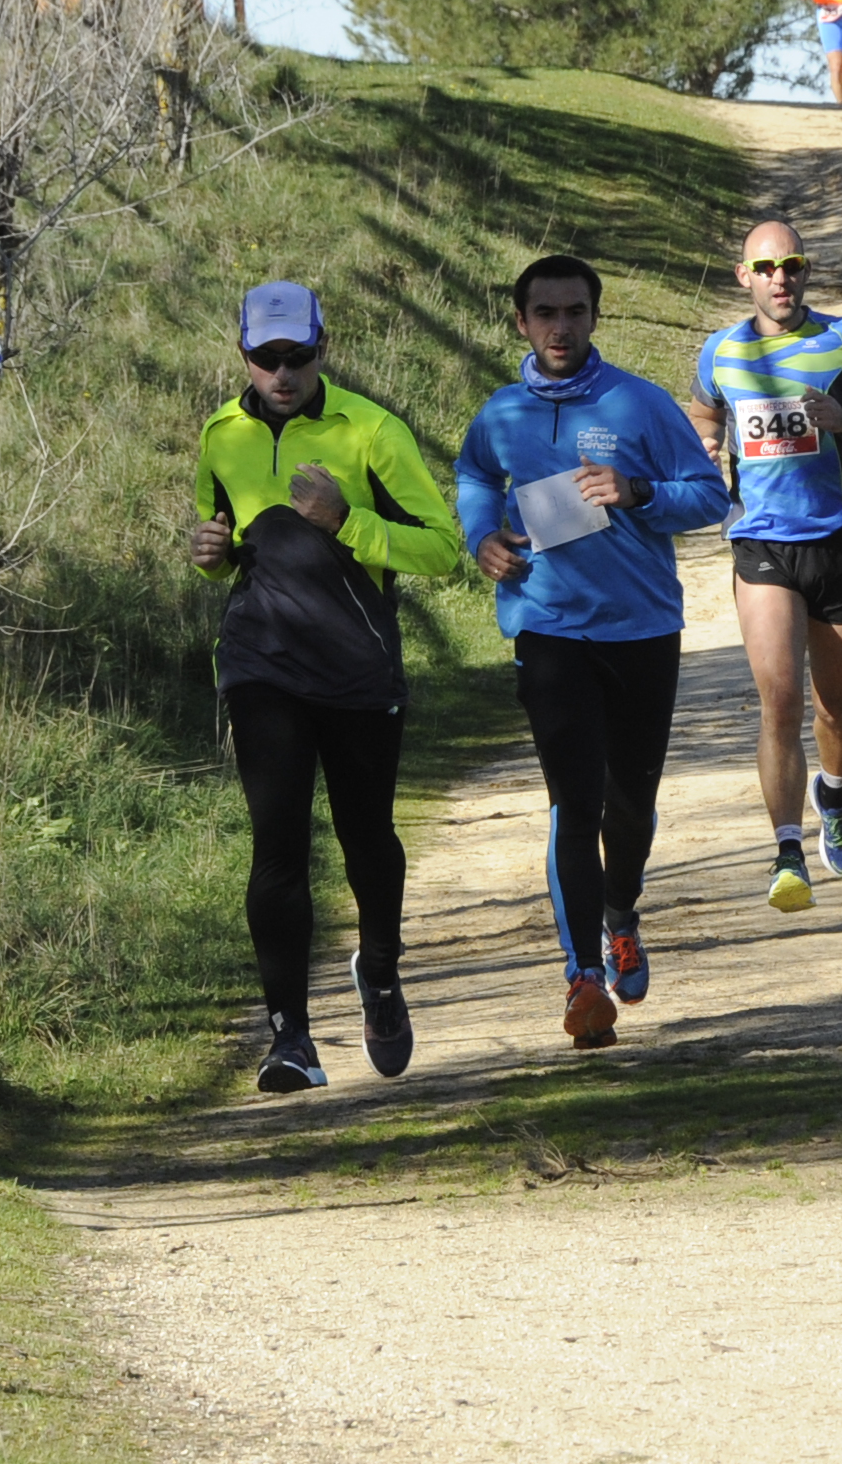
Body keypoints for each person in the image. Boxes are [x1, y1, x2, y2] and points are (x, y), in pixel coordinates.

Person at [191, 281, 464, 1094]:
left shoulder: (371, 430)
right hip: (261, 665)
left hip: (356, 667)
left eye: (297, 356)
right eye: (265, 357)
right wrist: (210, 556)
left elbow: (443, 549)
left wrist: (347, 520)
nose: (282, 372)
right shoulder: (220, 432)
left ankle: (379, 969)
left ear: (323, 349)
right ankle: (291, 1040)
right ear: (243, 353)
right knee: (277, 841)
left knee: (365, 834)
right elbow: (224, 541)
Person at [456, 256, 729, 1052]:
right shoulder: (502, 413)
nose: (560, 327)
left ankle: (621, 914)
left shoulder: (639, 404)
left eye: (574, 312)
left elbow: (710, 496)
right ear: (521, 322)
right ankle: (581, 979)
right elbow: (476, 473)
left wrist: (639, 493)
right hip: (548, 629)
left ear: (594, 318)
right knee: (574, 802)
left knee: (630, 804)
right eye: (545, 313)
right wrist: (483, 540)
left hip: (641, 629)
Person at [686, 221, 842, 911]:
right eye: (766, 268)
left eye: (790, 266)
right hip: (762, 546)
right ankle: (787, 851)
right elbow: (705, 414)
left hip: (840, 543)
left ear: (806, 270)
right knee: (780, 700)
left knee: (835, 706)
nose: (780, 279)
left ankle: (835, 789)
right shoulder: (721, 351)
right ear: (745, 277)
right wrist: (705, 445)